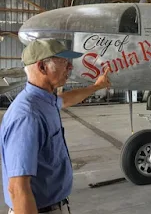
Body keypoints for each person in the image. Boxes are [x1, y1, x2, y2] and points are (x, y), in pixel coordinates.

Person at [0, 38, 111, 214]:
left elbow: (66, 99)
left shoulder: (45, 100)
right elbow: (18, 188)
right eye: (63, 62)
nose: (70, 67)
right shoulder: (28, 116)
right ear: (42, 67)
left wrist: (97, 86)